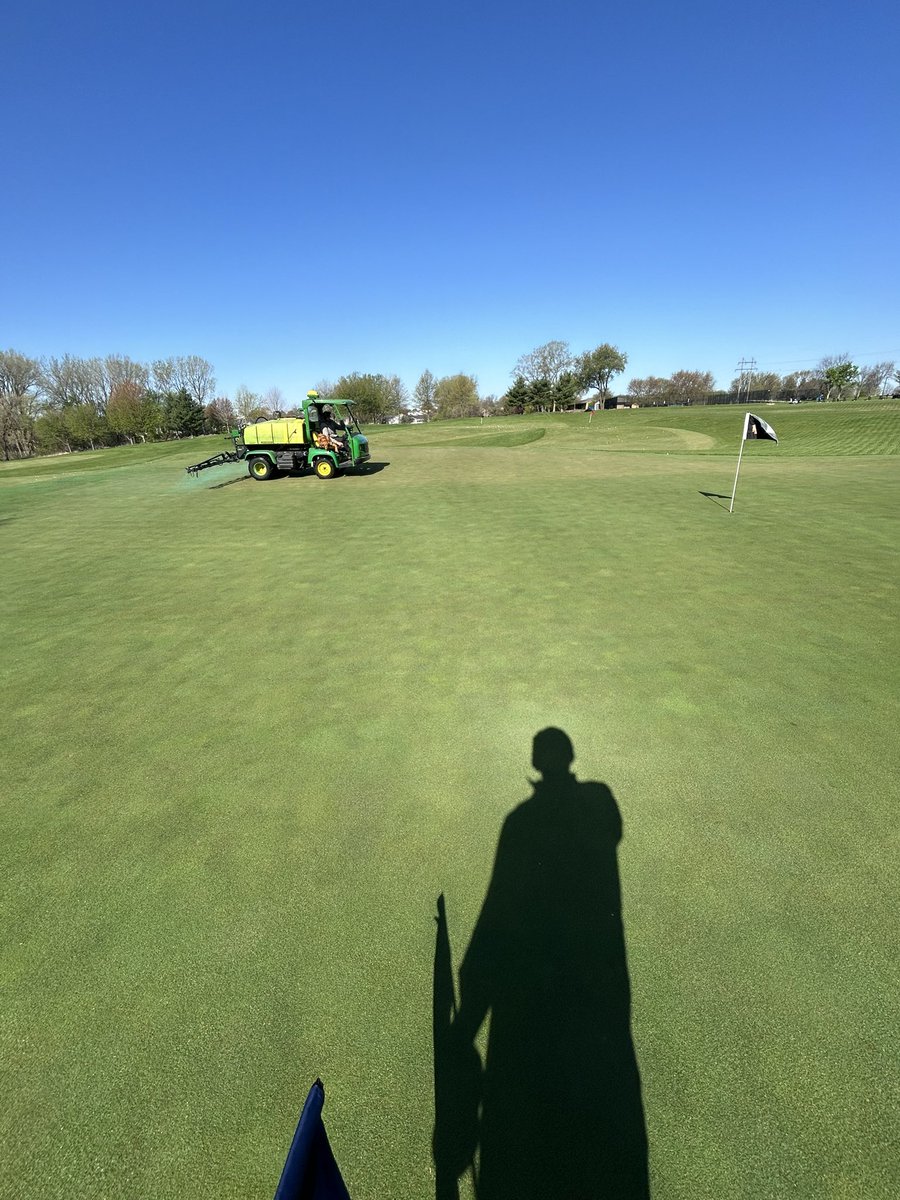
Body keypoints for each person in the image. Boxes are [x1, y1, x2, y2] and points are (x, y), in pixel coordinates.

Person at [450, 729, 650, 1199]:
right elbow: (614, 828)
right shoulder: (600, 803)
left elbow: (497, 914)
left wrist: (467, 1018)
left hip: (540, 995)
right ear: (570, 758)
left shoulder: (521, 823)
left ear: (536, 764)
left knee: (540, 1109)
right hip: (600, 986)